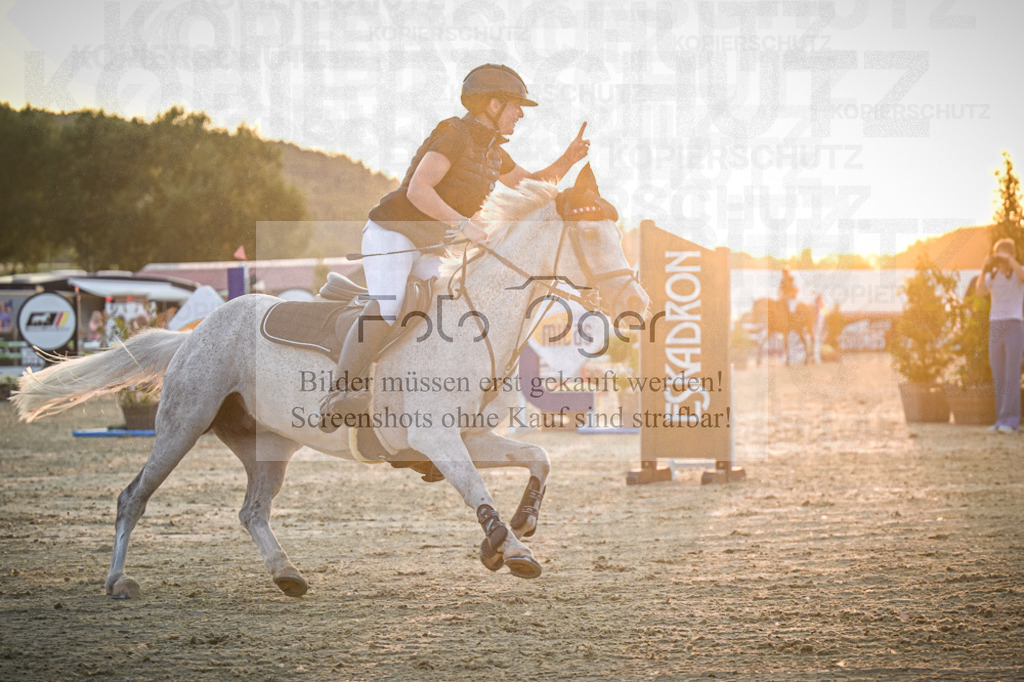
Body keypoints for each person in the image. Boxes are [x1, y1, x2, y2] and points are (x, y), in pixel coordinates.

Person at [319, 64, 591, 432]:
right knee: (391, 303)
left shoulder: (495, 151)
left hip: (432, 245)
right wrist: (464, 225)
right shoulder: (453, 134)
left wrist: (568, 160)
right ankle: (338, 394)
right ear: (493, 104)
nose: (521, 114)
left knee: (450, 310)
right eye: (515, 105)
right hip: (393, 232)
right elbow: (419, 190)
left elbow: (529, 184)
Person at [975, 238, 1024, 433]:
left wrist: (1009, 259)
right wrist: (984, 267)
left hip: (1014, 324)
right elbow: (979, 292)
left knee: (1012, 373)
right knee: (999, 375)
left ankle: (1011, 420)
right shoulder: (992, 276)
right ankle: (1000, 419)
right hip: (995, 325)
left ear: (1011, 254)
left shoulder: (1018, 271)